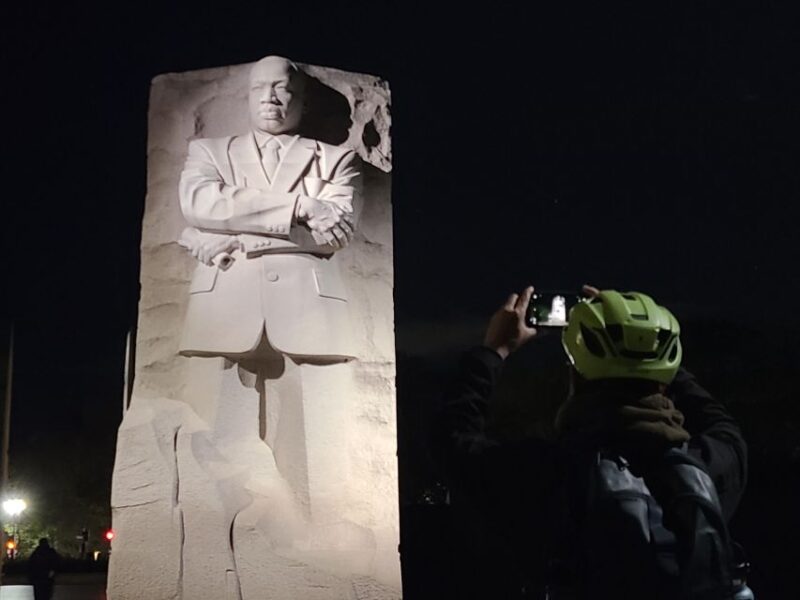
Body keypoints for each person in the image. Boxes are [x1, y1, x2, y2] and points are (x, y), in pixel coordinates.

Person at [434, 286, 748, 599]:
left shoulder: (545, 474)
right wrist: (647, 345)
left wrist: (494, 350)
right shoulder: (710, 467)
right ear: (664, 377)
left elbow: (453, 441)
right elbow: (722, 423)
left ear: (575, 375)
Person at [176, 55, 362, 517]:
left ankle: (319, 544)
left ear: (300, 99)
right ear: (246, 95)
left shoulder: (337, 159)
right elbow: (198, 203)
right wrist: (301, 206)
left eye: (283, 90)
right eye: (260, 89)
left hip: (308, 308)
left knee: (314, 449)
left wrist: (226, 230)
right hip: (224, 301)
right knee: (213, 440)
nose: (270, 99)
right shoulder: (209, 152)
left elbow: (335, 233)